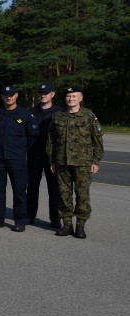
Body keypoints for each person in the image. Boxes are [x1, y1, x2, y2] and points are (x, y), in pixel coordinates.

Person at [48, 86, 104, 239]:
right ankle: (67, 224)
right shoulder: (58, 116)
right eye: (68, 96)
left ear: (81, 98)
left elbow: (97, 140)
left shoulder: (88, 116)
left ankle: (80, 225)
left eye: (74, 96)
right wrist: (52, 160)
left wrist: (96, 161)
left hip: (82, 163)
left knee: (82, 195)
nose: (71, 99)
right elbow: (51, 140)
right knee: (64, 195)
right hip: (62, 162)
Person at [0, 85, 38, 231]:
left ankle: (20, 220)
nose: (9, 97)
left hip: (17, 158)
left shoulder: (25, 114)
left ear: (16, 95)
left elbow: (32, 136)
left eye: (11, 95)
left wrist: (20, 150)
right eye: (6, 95)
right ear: (2, 96)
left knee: (19, 189)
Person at [27, 82, 62, 228]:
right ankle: (29, 216)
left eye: (46, 93)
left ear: (52, 94)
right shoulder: (31, 112)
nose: (43, 95)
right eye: (41, 93)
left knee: (54, 189)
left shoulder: (60, 112)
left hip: (52, 157)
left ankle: (55, 218)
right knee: (32, 187)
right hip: (34, 155)